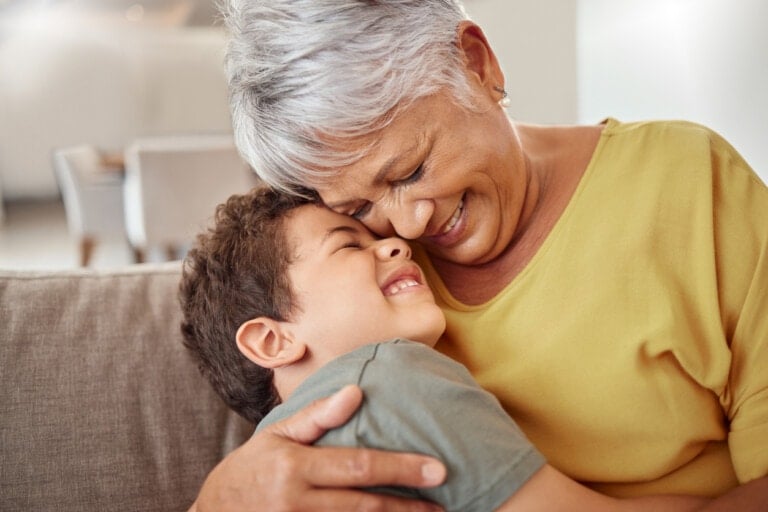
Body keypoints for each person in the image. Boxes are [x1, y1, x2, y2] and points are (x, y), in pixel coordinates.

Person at [193, 0, 768, 510]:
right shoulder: (367, 302)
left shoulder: (687, 181)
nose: (407, 225)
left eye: (413, 170)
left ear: (477, 63)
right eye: (359, 209)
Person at [180, 186, 716, 511]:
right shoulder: (391, 379)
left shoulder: (258, 466)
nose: (397, 242)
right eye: (348, 243)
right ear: (272, 340)